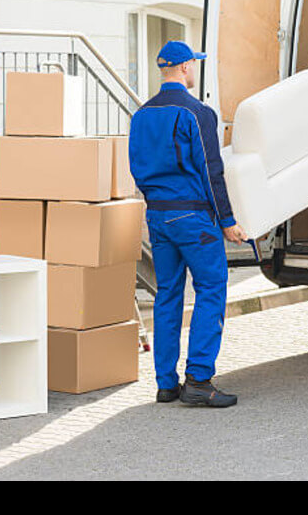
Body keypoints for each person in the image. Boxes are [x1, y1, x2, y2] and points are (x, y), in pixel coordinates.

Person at [129, 41, 247, 408]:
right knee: (211, 287)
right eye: (193, 63)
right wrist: (227, 221)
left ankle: (166, 384)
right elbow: (212, 172)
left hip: (157, 215)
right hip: (192, 216)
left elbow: (136, 168)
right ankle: (198, 379)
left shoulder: (141, 115)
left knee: (168, 294)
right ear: (184, 67)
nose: (194, 69)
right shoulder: (198, 113)